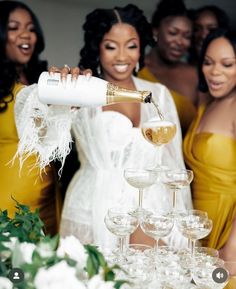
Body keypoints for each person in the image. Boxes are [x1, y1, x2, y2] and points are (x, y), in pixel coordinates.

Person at [15, 4, 192, 249]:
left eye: (131, 46)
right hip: (93, 206)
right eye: (111, 46)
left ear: (141, 48)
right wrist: (55, 96)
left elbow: (174, 168)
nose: (122, 56)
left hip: (151, 208)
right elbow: (43, 137)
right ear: (97, 48)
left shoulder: (159, 95)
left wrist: (181, 224)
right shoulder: (81, 93)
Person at [0, 0, 61, 235]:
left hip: (47, 199)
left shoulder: (41, 81)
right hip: (8, 203)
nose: (25, 35)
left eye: (31, 28)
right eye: (14, 28)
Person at [184, 29, 236, 260]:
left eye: (227, 64)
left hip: (228, 227)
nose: (215, 72)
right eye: (208, 62)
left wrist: (233, 247)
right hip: (198, 225)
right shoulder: (207, 103)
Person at [138, 0, 198, 136]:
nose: (180, 42)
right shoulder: (134, 69)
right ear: (156, 31)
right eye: (173, 33)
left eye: (187, 36)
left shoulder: (194, 75)